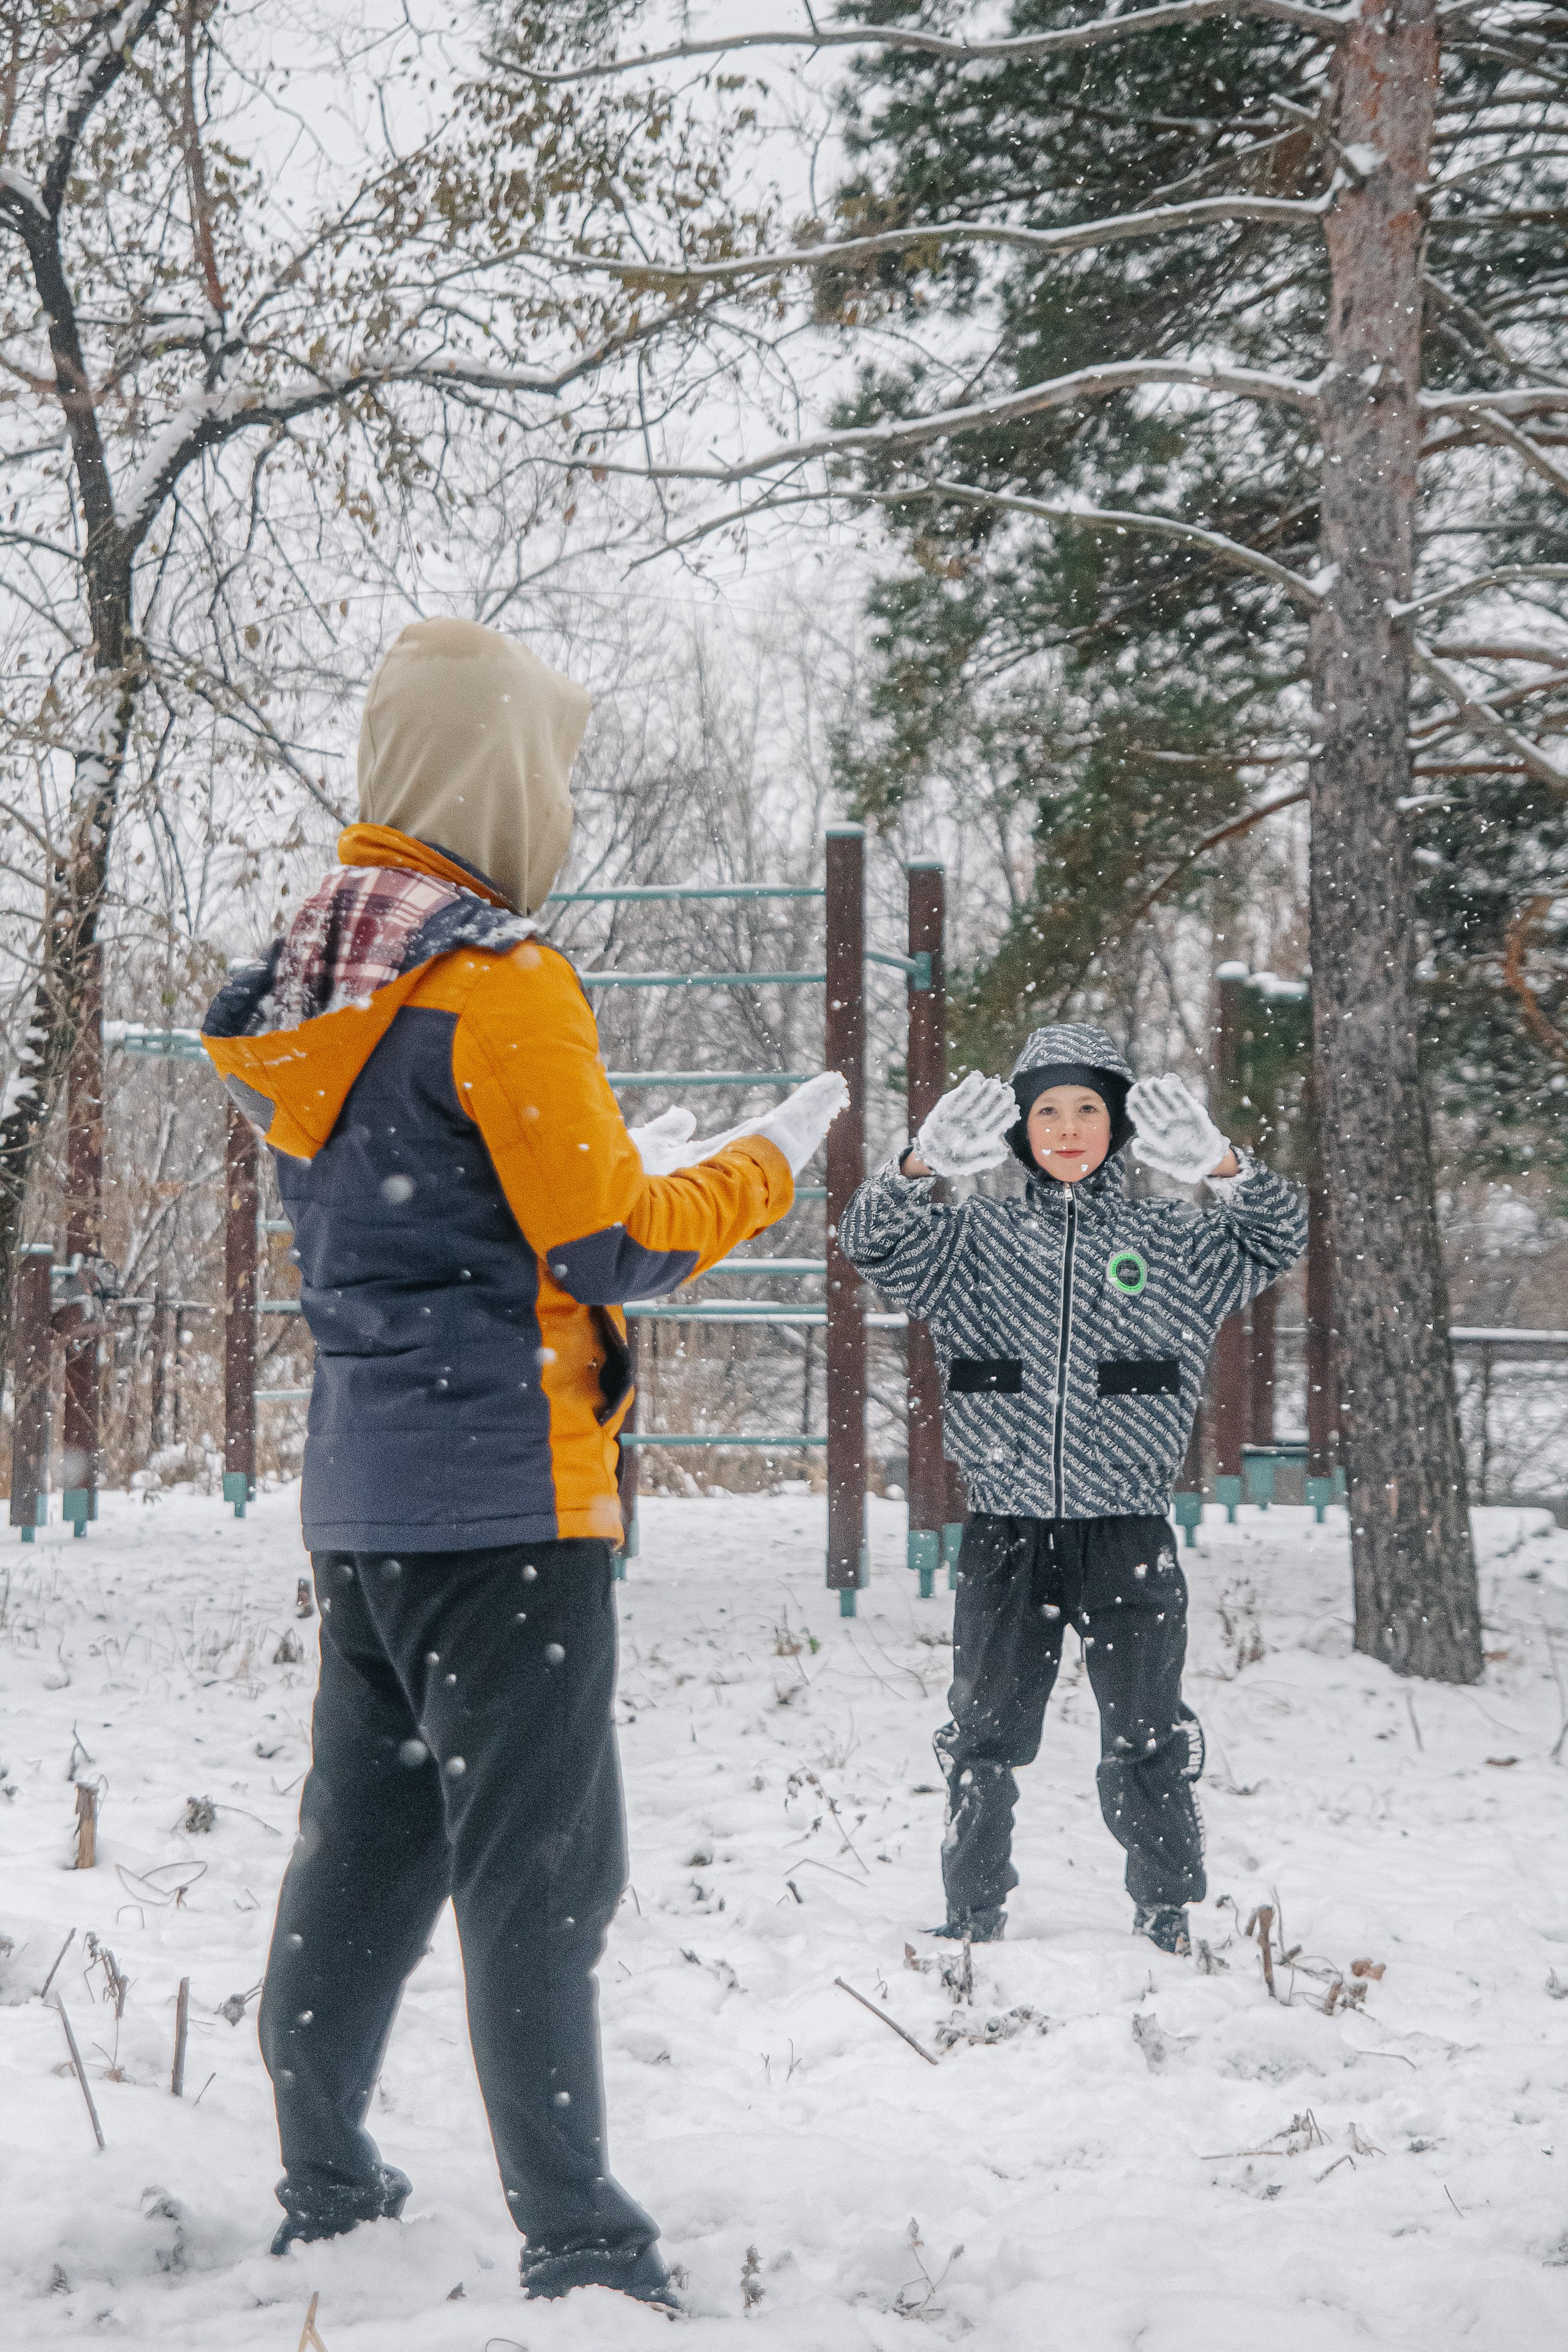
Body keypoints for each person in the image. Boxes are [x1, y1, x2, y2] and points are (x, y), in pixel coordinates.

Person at [201, 618, 846, 2309]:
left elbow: (455, 1218)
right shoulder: (492, 979)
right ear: (504, 779)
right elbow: (610, 1243)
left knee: (366, 1837)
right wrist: (765, 1164)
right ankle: (579, 2236)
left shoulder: (316, 980)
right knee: (544, 1873)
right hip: (509, 1497)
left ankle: (326, 2173)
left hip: (367, 1502)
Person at [839, 1022, 1306, 1956]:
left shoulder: (1169, 1240)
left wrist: (1221, 1166)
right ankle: (973, 1908)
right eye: (1045, 1108)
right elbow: (867, 1242)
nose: (1066, 1127)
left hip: (1125, 1529)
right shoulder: (971, 1241)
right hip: (1008, 1529)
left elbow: (1278, 1235)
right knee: (983, 1729)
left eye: (1088, 1107)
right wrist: (919, 1164)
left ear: (1119, 1123)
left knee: (1146, 1727)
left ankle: (1165, 1907)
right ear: (1017, 1127)